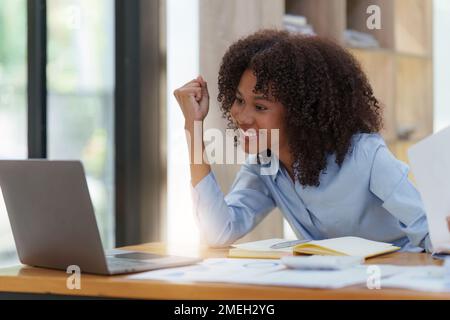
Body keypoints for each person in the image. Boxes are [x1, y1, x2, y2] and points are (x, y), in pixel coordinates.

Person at [173, 29, 433, 252]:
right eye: (239, 100)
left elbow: (428, 229)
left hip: (394, 281)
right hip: (333, 287)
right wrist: (193, 127)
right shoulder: (266, 165)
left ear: (299, 114)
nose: (242, 116)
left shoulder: (365, 155)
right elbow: (219, 231)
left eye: (260, 107)